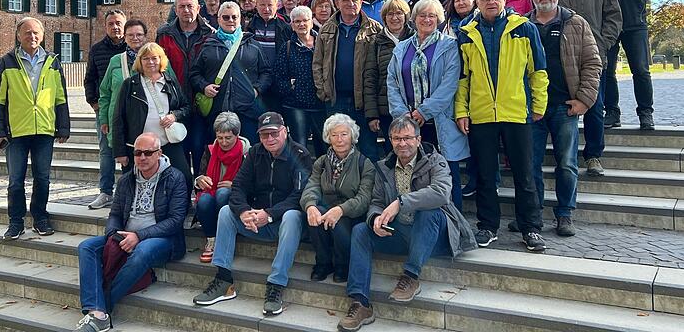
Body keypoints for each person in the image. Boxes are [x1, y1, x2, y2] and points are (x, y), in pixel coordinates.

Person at [337, 115, 477, 332]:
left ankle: (411, 276)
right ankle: (360, 302)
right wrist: (375, 219)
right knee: (360, 230)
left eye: (407, 138)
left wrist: (400, 203)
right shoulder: (384, 167)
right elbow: (375, 202)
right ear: (391, 141)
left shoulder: (435, 160)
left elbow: (441, 193)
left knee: (429, 212)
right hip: (402, 233)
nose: (402, 143)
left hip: (435, 235)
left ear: (418, 139)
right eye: (396, 139)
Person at [454, 0, 549, 251]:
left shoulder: (524, 28)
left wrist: (539, 105)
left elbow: (538, 71)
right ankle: (487, 226)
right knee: (485, 174)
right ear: (477, 2)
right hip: (481, 114)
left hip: (516, 112)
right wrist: (462, 110)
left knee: (525, 173)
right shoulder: (466, 32)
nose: (491, 2)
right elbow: (462, 78)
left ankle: (531, 228)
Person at [192, 112, 312, 316]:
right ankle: (223, 280)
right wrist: (244, 211)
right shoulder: (256, 153)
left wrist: (270, 214)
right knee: (226, 212)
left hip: (285, 222)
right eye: (264, 135)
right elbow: (238, 186)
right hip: (256, 220)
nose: (270, 139)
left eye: (274, 133)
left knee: (292, 216)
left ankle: (276, 285)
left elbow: (300, 195)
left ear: (284, 131)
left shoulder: (300, 154)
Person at [72, 132, 188, 332]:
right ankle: (97, 313)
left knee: (142, 251)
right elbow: (115, 214)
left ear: (159, 153)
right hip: (127, 234)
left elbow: (175, 221)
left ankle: (101, 307)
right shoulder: (127, 179)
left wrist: (139, 236)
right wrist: (113, 235)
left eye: (148, 153)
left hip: (162, 239)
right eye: (138, 153)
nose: (142, 157)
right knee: (86, 247)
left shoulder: (175, 178)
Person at [528, 0, 602, 237]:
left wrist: (585, 99)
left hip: (564, 106)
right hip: (532, 108)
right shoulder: (523, 25)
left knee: (568, 163)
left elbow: (593, 63)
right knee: (530, 163)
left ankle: (564, 214)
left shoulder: (576, 23)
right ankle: (532, 216)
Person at [0, 17, 70, 240]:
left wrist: (63, 126)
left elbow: (61, 97)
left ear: (43, 35)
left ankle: (40, 218)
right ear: (18, 36)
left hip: (44, 129)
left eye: (36, 33)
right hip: (16, 131)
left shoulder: (53, 61)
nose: (32, 37)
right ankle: (15, 222)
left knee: (43, 178)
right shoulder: (6, 62)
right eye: (27, 33)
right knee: (15, 180)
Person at [387, 0, 470, 210]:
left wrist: (424, 111)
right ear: (414, 19)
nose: (426, 19)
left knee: (447, 175)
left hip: (440, 122)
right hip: (409, 124)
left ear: (439, 19)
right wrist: (403, 115)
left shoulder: (449, 45)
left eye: (431, 15)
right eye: (422, 15)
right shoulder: (401, 48)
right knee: (417, 175)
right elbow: (392, 82)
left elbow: (449, 84)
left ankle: (454, 222)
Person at [553, 0, 622, 177]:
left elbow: (614, 14)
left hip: (593, 52)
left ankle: (593, 155)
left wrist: (604, 42)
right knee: (561, 105)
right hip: (561, 54)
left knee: (595, 104)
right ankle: (563, 155)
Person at [588, 0, 655, 130]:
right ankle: (612, 112)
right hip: (605, 24)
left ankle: (646, 113)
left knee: (641, 70)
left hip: (634, 22)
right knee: (606, 70)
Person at [301, 113, 374, 283]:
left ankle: (343, 265)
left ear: (352, 136)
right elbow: (311, 186)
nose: (339, 139)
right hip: (327, 210)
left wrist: (341, 209)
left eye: (344, 134)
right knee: (315, 213)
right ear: (328, 138)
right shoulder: (321, 162)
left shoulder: (364, 163)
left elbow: (364, 198)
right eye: (334, 135)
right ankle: (324, 263)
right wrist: (310, 205)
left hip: (351, 214)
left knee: (339, 220)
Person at [313, 0, 383, 160]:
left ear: (361, 1)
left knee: (368, 148)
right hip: (336, 99)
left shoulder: (375, 29)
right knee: (339, 148)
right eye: (345, 0)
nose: (350, 3)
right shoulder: (326, 29)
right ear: (337, 2)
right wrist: (323, 91)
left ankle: (370, 187)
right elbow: (317, 63)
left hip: (365, 101)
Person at [111, 43, 193, 188]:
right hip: (140, 147)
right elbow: (118, 119)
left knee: (184, 177)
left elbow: (186, 107)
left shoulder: (170, 81)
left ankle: (182, 209)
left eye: (154, 58)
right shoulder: (130, 85)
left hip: (168, 142)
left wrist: (174, 116)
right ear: (140, 62)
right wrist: (120, 151)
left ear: (161, 60)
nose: (150, 62)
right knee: (134, 184)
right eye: (146, 59)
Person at [190, 2, 271, 142]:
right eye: (226, 17)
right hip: (217, 111)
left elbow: (266, 73)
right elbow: (194, 74)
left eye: (234, 17)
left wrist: (256, 90)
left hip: (247, 110)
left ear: (240, 19)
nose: (231, 20)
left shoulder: (253, 44)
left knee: (248, 152)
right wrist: (204, 86)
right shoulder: (207, 45)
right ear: (219, 18)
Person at [156, 0, 215, 176]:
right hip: (175, 103)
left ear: (198, 8)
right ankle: (180, 195)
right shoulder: (164, 34)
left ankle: (199, 191)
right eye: (182, 6)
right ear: (175, 10)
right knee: (178, 152)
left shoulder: (209, 34)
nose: (186, 10)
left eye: (190, 6)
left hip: (199, 102)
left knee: (198, 147)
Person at [97, 19, 151, 179]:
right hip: (121, 121)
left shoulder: (154, 59)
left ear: (145, 37)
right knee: (127, 166)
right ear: (125, 37)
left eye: (139, 35)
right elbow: (105, 92)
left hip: (146, 120)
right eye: (131, 35)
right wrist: (104, 118)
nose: (135, 38)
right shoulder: (115, 61)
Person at [84, 10, 126, 210]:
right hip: (106, 109)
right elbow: (90, 78)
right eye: (111, 24)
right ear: (106, 26)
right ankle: (106, 191)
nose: (115, 27)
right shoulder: (97, 49)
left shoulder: (134, 48)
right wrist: (94, 103)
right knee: (106, 151)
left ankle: (129, 191)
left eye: (118, 23)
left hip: (129, 110)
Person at [194, 112, 250, 263]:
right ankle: (211, 238)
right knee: (204, 200)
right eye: (220, 138)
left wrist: (235, 185)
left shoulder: (247, 153)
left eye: (228, 138)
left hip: (237, 197)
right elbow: (200, 175)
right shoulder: (210, 150)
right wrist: (200, 180)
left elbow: (253, 183)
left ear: (237, 135)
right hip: (211, 193)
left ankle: (226, 235)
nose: (223, 142)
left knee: (223, 193)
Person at [364, 0, 414, 155]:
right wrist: (372, 115)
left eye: (399, 13)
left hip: (414, 110)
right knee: (392, 153)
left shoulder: (416, 39)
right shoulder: (376, 43)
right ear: (384, 17)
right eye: (390, 14)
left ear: (406, 16)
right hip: (386, 110)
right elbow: (370, 78)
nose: (394, 18)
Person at [274, 6, 326, 156]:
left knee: (323, 145)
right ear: (292, 24)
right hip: (296, 105)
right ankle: (301, 178)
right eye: (297, 21)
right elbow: (278, 75)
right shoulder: (288, 47)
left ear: (311, 22)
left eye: (305, 20)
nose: (301, 24)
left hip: (319, 104)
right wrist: (291, 89)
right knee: (300, 146)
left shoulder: (322, 44)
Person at [247, 0, 291, 113]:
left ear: (277, 5)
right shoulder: (248, 26)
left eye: (270, 5)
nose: (266, 9)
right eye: (262, 5)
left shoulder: (287, 27)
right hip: (256, 82)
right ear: (256, 5)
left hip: (279, 83)